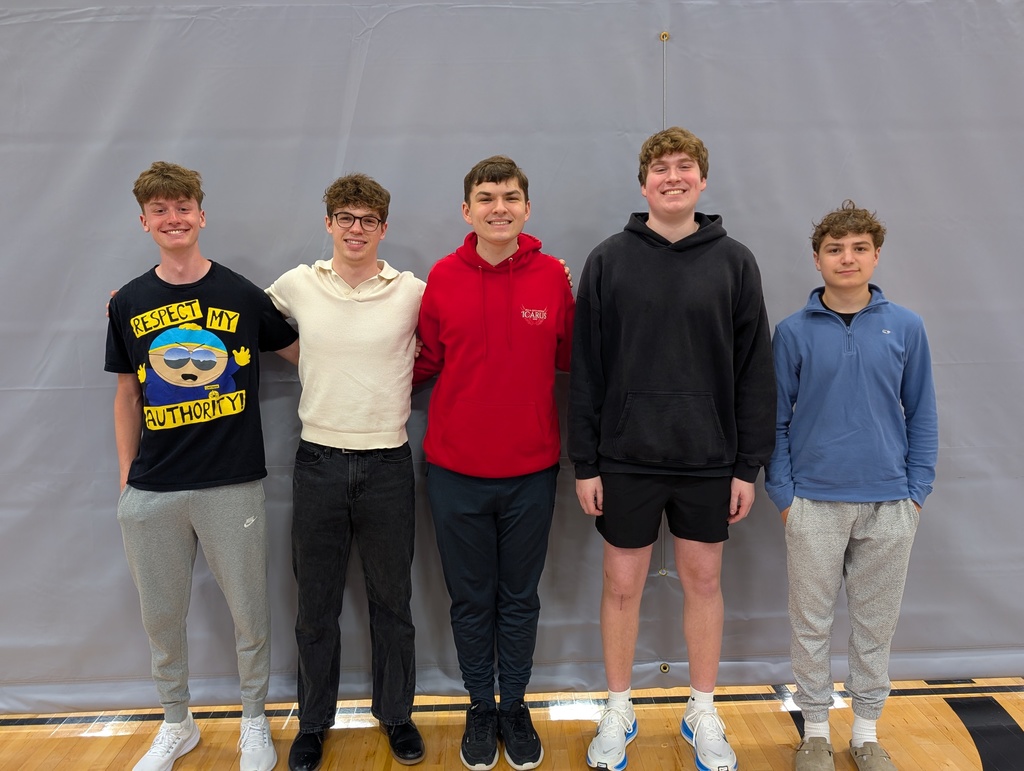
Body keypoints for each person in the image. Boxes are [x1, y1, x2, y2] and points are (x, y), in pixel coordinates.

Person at [568, 127, 776, 771]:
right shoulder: (608, 260)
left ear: (702, 181)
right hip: (625, 457)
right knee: (621, 585)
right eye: (660, 168)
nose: (673, 176)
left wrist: (747, 466)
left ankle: (702, 710)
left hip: (709, 460)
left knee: (704, 583)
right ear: (644, 184)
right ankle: (618, 708)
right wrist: (586, 463)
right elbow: (586, 369)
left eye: (685, 166)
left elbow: (754, 370)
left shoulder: (735, 261)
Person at [105, 162, 299, 771]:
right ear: (144, 222)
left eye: (183, 207)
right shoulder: (128, 301)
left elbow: (304, 352)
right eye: (160, 210)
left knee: (250, 614)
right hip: (154, 488)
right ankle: (176, 722)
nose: (174, 218)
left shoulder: (241, 293)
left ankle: (253, 720)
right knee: (161, 617)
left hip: (231, 483)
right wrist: (126, 475)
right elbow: (127, 394)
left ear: (201, 215)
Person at [413, 155, 575, 771]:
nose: (498, 208)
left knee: (520, 598)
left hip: (531, 472)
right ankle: (481, 706)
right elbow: (423, 362)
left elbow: (573, 359)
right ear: (467, 210)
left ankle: (516, 705)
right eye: (486, 198)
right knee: (470, 598)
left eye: (509, 197)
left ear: (527, 209)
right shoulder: (442, 277)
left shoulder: (552, 278)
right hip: (455, 473)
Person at [765, 201, 938, 771]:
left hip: (889, 503)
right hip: (813, 503)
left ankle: (865, 733)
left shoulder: (906, 327)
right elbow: (775, 420)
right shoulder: (792, 332)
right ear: (817, 260)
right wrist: (785, 496)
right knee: (810, 625)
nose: (847, 258)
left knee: (874, 627)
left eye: (859, 248)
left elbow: (922, 413)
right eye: (835, 249)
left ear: (876, 256)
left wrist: (916, 491)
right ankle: (815, 731)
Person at [265, 174, 426, 770]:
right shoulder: (298, 285)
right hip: (319, 463)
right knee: (315, 606)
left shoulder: (412, 291)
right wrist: (141, 305)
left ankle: (397, 714)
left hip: (388, 463)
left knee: (393, 603)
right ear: (329, 223)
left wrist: (554, 275)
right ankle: (313, 723)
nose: (356, 229)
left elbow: (469, 316)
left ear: (384, 227)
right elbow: (230, 311)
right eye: (346, 218)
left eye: (368, 220)